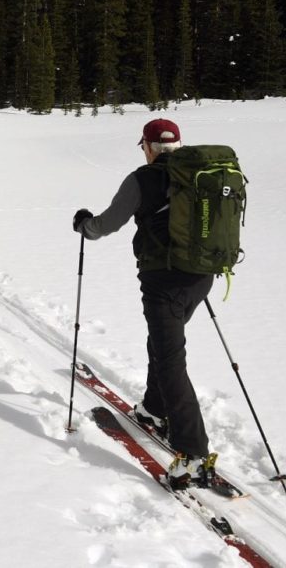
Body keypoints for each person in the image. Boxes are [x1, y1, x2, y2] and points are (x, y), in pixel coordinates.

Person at [72, 118, 217, 490]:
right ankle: (155, 408)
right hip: (201, 277)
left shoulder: (143, 178)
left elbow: (106, 225)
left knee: (170, 358)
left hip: (163, 281)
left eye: (144, 146)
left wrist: (84, 225)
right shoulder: (203, 172)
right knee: (164, 343)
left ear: (149, 147)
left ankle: (193, 454)